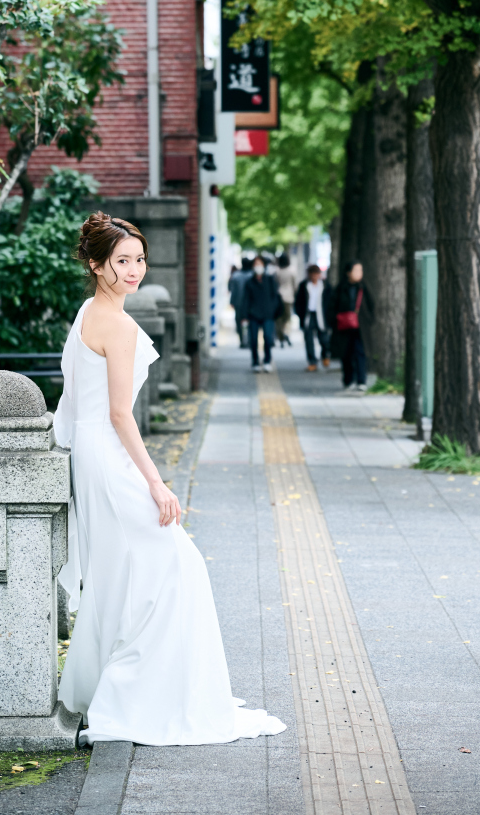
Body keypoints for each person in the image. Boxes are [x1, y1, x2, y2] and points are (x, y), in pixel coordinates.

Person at [55, 212, 285, 745]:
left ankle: (110, 689)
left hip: (93, 455)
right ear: (95, 264)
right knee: (174, 566)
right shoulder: (112, 322)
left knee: (121, 576)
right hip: (108, 458)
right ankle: (136, 695)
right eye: (122, 261)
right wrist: (156, 483)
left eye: (139, 259)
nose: (134, 270)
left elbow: (78, 402)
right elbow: (119, 413)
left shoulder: (90, 310)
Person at [333, 260, 374, 393]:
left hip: (360, 327)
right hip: (343, 326)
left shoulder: (363, 287)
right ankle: (348, 380)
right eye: (356, 270)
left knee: (360, 352)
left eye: (360, 270)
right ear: (348, 273)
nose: (359, 273)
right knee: (346, 353)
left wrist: (368, 321)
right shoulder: (341, 288)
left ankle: (361, 381)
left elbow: (371, 305)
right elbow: (332, 306)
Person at [239, 254, 279, 373]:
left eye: (260, 264)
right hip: (253, 314)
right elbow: (245, 299)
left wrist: (273, 310)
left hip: (268, 314)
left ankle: (267, 361)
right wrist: (244, 316)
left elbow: (275, 297)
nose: (258, 266)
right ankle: (255, 361)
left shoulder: (270, 280)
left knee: (268, 337)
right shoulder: (249, 282)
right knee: (253, 340)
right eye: (256, 264)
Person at [294, 264, 334, 371]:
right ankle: (312, 362)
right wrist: (300, 314)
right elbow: (298, 302)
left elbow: (331, 301)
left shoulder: (325, 285)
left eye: (316, 274)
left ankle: (325, 355)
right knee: (309, 340)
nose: (314, 276)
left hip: (322, 315)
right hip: (308, 315)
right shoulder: (304, 285)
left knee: (324, 339)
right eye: (312, 274)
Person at [228, 258, 253, 344]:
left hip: (239, 302)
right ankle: (249, 339)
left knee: (239, 321)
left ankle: (242, 340)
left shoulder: (236, 275)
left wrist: (231, 302)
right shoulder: (252, 275)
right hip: (250, 303)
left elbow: (233, 291)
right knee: (250, 321)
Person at [275, 252, 296, 346]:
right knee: (287, 318)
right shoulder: (291, 271)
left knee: (279, 318)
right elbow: (295, 285)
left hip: (279, 297)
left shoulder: (277, 272)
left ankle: (281, 336)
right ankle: (286, 333)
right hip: (289, 297)